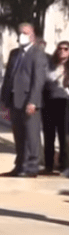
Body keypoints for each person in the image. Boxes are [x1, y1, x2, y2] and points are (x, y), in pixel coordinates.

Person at [0, 23, 47, 178]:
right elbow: (8, 78)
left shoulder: (37, 54)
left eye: (25, 33)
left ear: (32, 35)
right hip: (14, 100)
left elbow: (38, 80)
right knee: (18, 135)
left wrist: (33, 101)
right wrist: (4, 102)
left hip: (29, 101)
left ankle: (32, 167)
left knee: (31, 135)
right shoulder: (14, 53)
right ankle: (20, 165)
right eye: (20, 32)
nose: (22, 36)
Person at [43, 41, 69, 175]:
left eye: (65, 49)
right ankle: (48, 165)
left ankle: (64, 165)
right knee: (49, 136)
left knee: (64, 136)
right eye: (60, 49)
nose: (62, 51)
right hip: (49, 103)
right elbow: (45, 80)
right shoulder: (50, 65)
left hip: (65, 104)